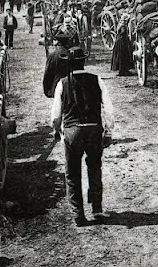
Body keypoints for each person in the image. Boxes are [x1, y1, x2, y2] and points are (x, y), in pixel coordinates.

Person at [50, 47, 114, 226]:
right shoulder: (97, 80)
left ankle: (78, 214)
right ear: (84, 62)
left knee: (72, 174)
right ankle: (97, 209)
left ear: (69, 63)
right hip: (94, 130)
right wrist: (108, 132)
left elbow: (56, 115)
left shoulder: (63, 83)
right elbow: (108, 109)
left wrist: (58, 131)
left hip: (72, 131)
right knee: (94, 168)